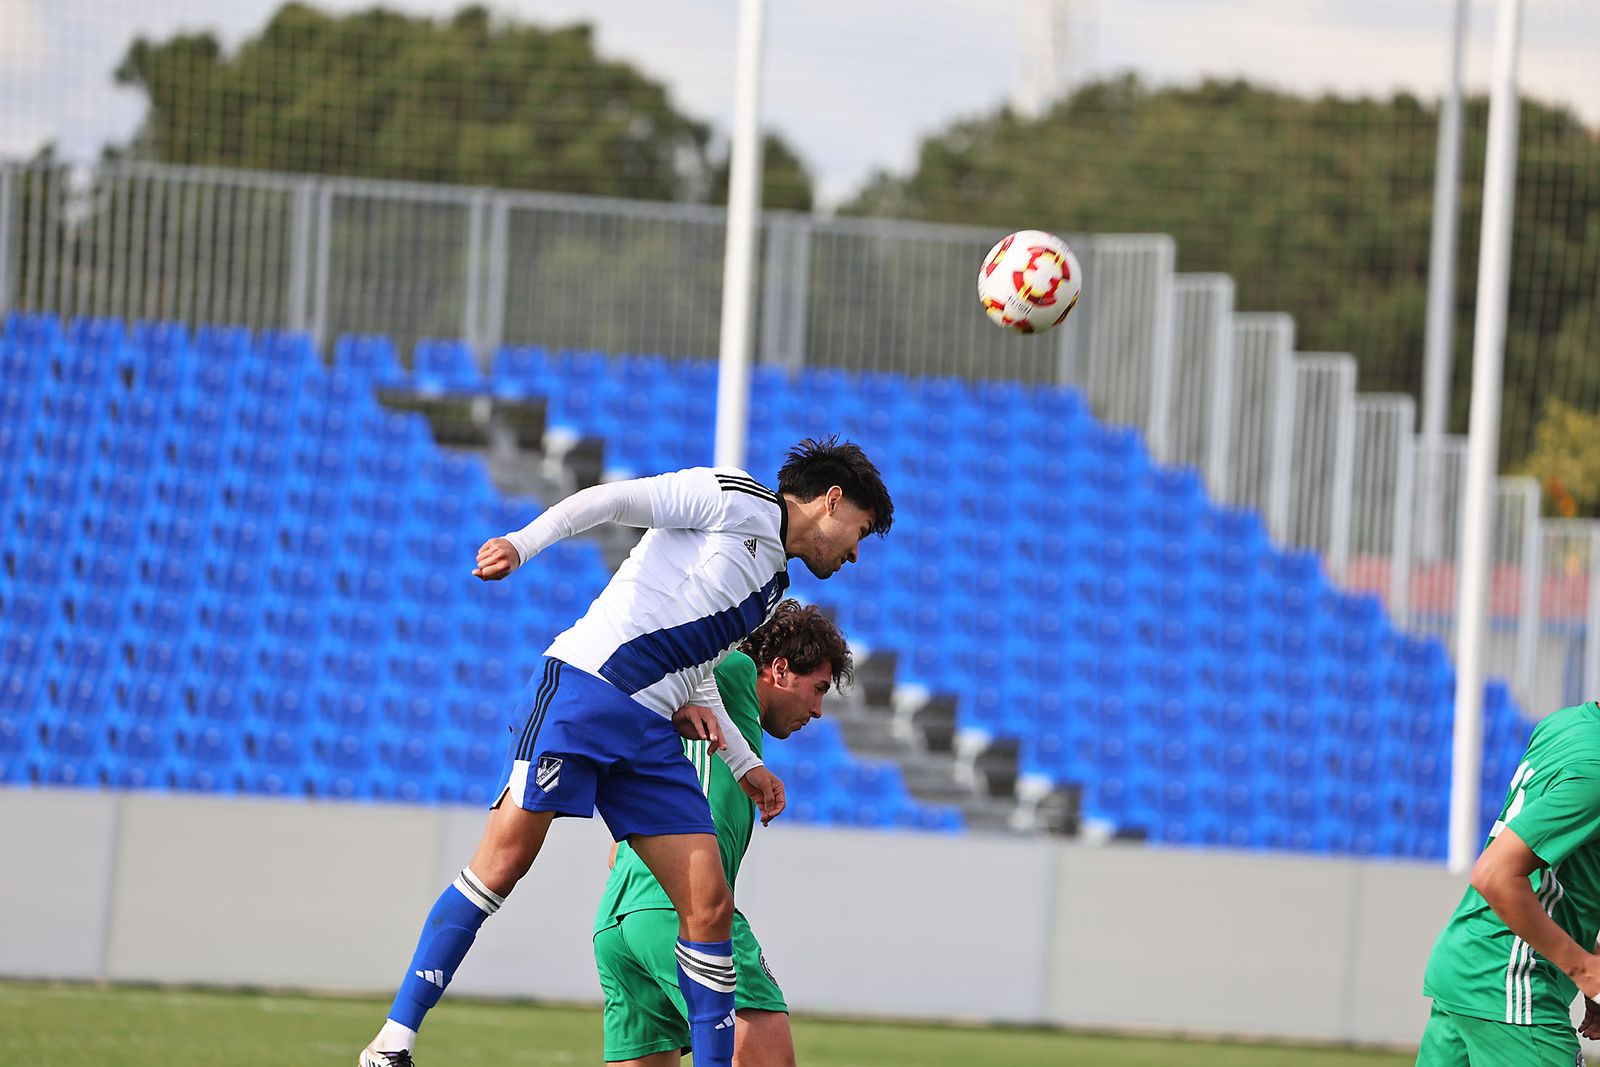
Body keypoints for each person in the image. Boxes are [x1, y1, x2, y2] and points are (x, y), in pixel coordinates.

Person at [359, 437, 893, 1067]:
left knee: (709, 905)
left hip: (648, 732)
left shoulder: (773, 585)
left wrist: (745, 765)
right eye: (860, 531)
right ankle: (392, 1042)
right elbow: (613, 500)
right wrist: (522, 544)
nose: (855, 552)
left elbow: (700, 665)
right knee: (500, 867)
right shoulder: (732, 496)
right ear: (832, 501)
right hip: (586, 693)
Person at [594, 599, 851, 1066]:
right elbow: (685, 644)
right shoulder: (732, 673)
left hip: (620, 918)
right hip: (682, 909)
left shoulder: (717, 723)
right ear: (779, 669)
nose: (817, 710)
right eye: (817, 690)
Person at [1418, 699, 1600, 1066]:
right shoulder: (1595, 771)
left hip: (1469, 962)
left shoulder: (1565, 724)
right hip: (1511, 980)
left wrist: (1590, 955)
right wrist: (1584, 969)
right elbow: (1495, 874)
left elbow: (1559, 872)